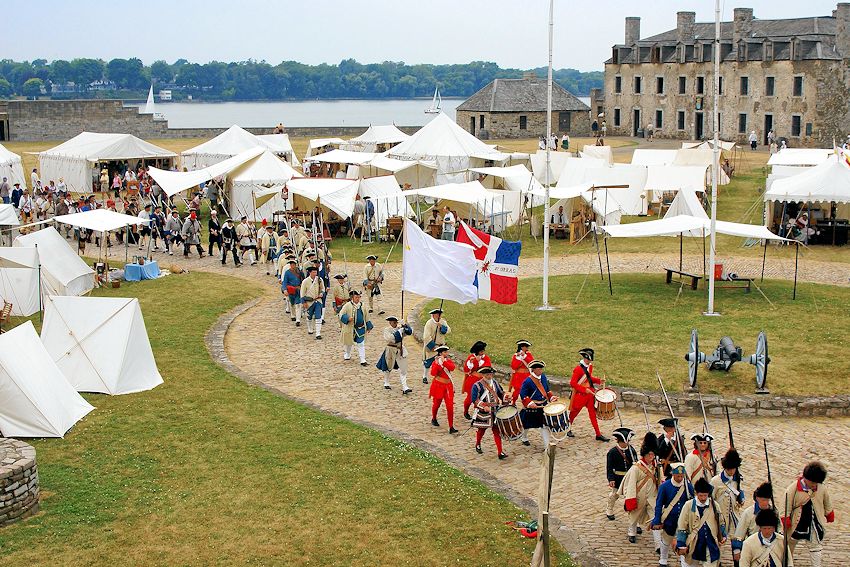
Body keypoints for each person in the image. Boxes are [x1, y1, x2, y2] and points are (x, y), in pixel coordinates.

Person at [782, 461, 834, 567]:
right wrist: (785, 517)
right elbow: (786, 503)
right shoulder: (793, 488)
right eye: (812, 482)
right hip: (796, 522)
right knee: (789, 544)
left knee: (815, 547)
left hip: (813, 522)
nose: (814, 485)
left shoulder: (821, 488)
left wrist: (829, 513)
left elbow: (826, 501)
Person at [620, 432, 661, 545]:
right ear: (645, 454)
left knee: (655, 518)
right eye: (649, 454)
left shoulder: (656, 467)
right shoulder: (636, 468)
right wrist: (630, 499)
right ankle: (632, 532)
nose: (651, 457)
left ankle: (658, 543)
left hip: (651, 497)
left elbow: (660, 481)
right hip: (639, 497)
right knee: (634, 516)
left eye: (653, 454)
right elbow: (630, 485)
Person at [675, 477, 727, 567]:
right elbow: (682, 526)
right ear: (696, 493)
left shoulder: (715, 505)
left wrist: (723, 534)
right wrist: (681, 544)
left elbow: (721, 522)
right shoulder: (688, 505)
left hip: (710, 543)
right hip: (694, 543)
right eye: (701, 495)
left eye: (705, 495)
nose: (703, 498)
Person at [652, 462, 693, 567]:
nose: (680, 478)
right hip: (670, 519)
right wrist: (657, 520)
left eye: (682, 476)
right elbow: (659, 504)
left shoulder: (688, 486)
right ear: (673, 474)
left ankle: (684, 563)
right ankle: (663, 559)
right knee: (666, 540)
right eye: (678, 476)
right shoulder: (665, 486)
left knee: (683, 542)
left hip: (684, 520)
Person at [568, 348, 609, 441]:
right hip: (580, 395)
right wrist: (584, 390)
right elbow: (573, 383)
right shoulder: (578, 369)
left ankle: (598, 434)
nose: (589, 361)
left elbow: (589, 378)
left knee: (592, 414)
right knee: (573, 413)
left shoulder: (589, 367)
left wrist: (599, 381)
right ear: (584, 358)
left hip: (589, 394)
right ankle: (568, 429)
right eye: (587, 359)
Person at [732, 482, 776, 564]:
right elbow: (739, 533)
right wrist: (737, 549)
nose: (765, 503)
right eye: (763, 500)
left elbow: (779, 531)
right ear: (757, 499)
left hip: (771, 548)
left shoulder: (774, 512)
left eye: (767, 500)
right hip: (753, 547)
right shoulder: (748, 513)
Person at [469, 366, 507, 460]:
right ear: (483, 375)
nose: (490, 376)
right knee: (481, 430)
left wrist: (505, 397)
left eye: (491, 374)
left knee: (497, 431)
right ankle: (478, 443)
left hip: (495, 411)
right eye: (487, 374)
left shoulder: (495, 383)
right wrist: (484, 406)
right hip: (484, 412)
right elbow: (474, 399)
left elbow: (500, 393)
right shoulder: (477, 385)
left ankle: (500, 452)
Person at [518, 360, 558, 447]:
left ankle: (546, 446)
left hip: (543, 406)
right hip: (533, 407)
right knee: (526, 424)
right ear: (533, 370)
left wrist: (551, 397)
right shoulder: (528, 381)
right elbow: (523, 394)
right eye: (539, 369)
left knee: (544, 425)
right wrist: (530, 403)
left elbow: (547, 390)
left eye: (541, 369)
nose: (541, 371)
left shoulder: (543, 377)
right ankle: (524, 437)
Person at [710, 448, 745, 550]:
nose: (732, 471)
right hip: (720, 516)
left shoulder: (737, 479)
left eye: (734, 469)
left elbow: (740, 492)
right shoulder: (715, 481)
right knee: (719, 542)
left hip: (734, 514)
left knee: (737, 541)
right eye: (729, 469)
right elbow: (711, 499)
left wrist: (741, 499)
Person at [605, 427, 638, 521]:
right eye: (624, 442)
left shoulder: (631, 450)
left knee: (630, 495)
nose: (626, 443)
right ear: (619, 441)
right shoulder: (612, 452)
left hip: (629, 476)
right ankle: (609, 509)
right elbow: (609, 467)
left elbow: (636, 462)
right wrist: (611, 479)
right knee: (614, 495)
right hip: (618, 477)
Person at [376, 316, 413, 393]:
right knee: (388, 366)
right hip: (390, 349)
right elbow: (391, 338)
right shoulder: (387, 330)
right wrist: (399, 331)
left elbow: (409, 332)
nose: (394, 323)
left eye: (395, 322)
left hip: (400, 349)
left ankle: (405, 387)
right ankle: (386, 382)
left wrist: (405, 325)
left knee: (403, 368)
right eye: (392, 322)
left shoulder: (400, 328)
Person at [428, 345, 458, 433]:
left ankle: (451, 426)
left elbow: (452, 368)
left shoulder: (447, 361)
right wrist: (438, 365)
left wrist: (444, 362)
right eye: (445, 352)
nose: (447, 353)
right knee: (436, 404)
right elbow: (433, 373)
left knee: (450, 406)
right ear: (440, 353)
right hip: (438, 386)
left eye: (446, 352)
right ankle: (434, 418)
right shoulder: (435, 362)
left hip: (448, 386)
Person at [339, 289, 372, 365]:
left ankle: (362, 359)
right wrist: (347, 318)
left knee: (361, 344)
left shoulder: (362, 305)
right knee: (348, 343)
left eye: (359, 297)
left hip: (360, 328)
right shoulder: (347, 305)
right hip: (350, 328)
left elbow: (367, 316)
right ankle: (347, 354)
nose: (358, 299)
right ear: (352, 298)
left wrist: (369, 326)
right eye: (356, 297)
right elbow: (341, 314)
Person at [461, 341, 491, 420]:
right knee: (470, 398)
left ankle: (477, 413)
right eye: (481, 351)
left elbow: (487, 367)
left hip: (482, 381)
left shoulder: (486, 358)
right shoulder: (471, 357)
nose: (482, 353)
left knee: (481, 398)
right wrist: (471, 362)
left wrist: (479, 362)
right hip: (472, 380)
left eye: (483, 351)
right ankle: (466, 411)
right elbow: (466, 370)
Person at [422, 308, 450, 385]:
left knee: (441, 362)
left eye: (440, 314)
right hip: (432, 345)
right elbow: (426, 336)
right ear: (433, 315)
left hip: (441, 346)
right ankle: (425, 376)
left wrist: (442, 326)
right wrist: (433, 346)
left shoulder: (443, 322)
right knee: (428, 362)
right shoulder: (429, 323)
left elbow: (448, 330)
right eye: (437, 314)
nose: (439, 315)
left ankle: (439, 376)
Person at [300, 265, 325, 339]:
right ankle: (310, 329)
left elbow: (322, 289)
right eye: (313, 272)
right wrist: (303, 302)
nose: (315, 274)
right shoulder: (305, 281)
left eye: (316, 272)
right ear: (310, 273)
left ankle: (318, 333)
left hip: (318, 301)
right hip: (309, 302)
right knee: (309, 316)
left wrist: (322, 293)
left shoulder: (319, 280)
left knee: (318, 316)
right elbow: (302, 293)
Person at [282, 259, 303, 324]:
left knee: (298, 304)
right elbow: (285, 282)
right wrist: (285, 289)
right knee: (292, 303)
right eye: (291, 264)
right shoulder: (287, 273)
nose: (292, 265)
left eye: (294, 264)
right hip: (291, 290)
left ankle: (298, 319)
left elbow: (303, 280)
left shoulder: (299, 272)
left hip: (298, 290)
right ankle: (293, 315)